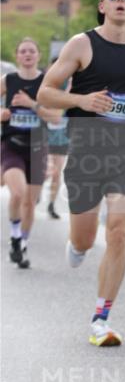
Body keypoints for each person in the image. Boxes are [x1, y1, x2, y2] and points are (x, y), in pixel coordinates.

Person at [38, 0, 125, 347]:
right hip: (87, 149)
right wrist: (81, 101)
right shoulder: (82, 44)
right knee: (85, 239)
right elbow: (45, 92)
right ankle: (76, 246)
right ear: (103, 5)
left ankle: (101, 318)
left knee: (119, 230)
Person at [1, 38, 57, 268]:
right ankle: (15, 236)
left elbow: (56, 117)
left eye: (31, 51)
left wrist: (31, 104)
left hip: (37, 147)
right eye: (22, 51)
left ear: (38, 56)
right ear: (17, 56)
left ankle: (22, 244)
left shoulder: (47, 82)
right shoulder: (8, 80)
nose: (27, 54)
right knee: (18, 194)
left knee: (30, 203)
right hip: (11, 144)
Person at [44, 59, 70, 219]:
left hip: (62, 136)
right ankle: (36, 191)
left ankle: (51, 204)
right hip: (44, 133)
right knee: (45, 170)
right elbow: (53, 111)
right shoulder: (45, 85)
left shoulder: (70, 83)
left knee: (56, 172)